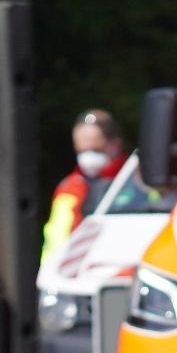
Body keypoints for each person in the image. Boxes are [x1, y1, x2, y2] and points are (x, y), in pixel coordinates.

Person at [41, 110, 127, 264]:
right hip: (82, 270)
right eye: (82, 150)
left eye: (95, 149)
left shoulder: (137, 182)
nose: (88, 156)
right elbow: (56, 237)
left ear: (115, 145)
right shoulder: (70, 188)